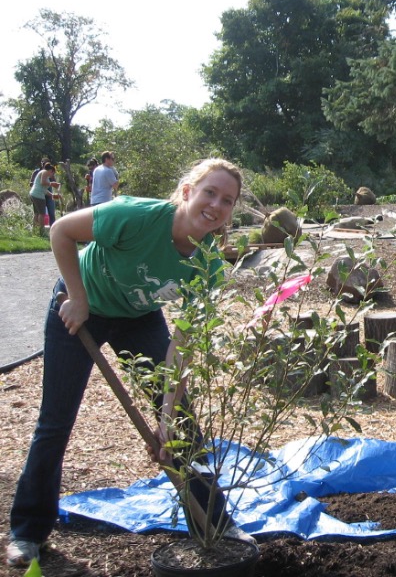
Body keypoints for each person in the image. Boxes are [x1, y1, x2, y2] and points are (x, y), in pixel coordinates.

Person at [7, 159, 253, 567]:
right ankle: (28, 531)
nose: (216, 205)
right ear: (188, 191)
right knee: (56, 421)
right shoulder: (136, 216)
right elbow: (61, 230)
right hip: (79, 306)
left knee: (183, 424)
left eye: (227, 200)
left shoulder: (208, 265)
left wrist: (167, 416)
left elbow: (182, 347)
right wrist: (78, 298)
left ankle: (214, 523)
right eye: (209, 192)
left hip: (138, 317)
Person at [28, 163, 55, 231]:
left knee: (37, 213)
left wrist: (52, 195)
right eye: (53, 173)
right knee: (42, 214)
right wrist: (52, 184)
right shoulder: (45, 172)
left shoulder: (44, 174)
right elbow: (43, 182)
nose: (52, 175)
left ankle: (35, 230)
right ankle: (41, 230)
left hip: (34, 194)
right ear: (51, 171)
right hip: (38, 195)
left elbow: (44, 190)